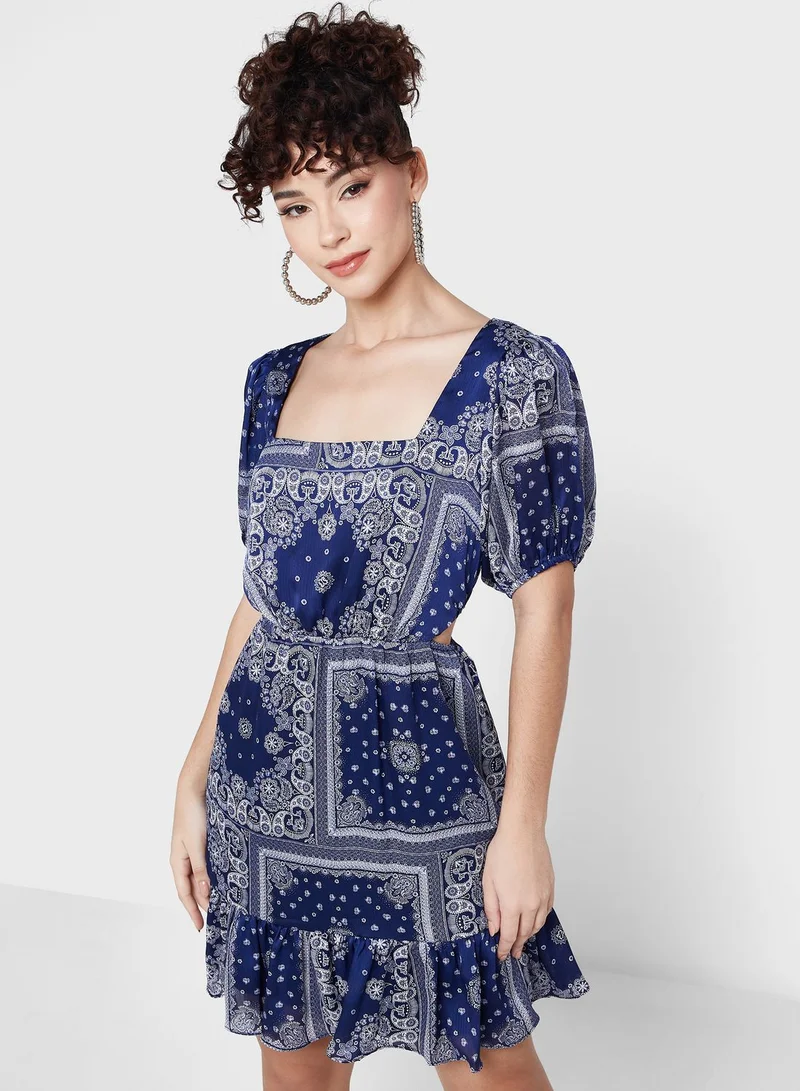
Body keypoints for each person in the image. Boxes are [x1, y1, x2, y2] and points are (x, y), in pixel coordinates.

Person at [170, 5, 597, 1089]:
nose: (328, 230)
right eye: (294, 204)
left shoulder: (513, 374)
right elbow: (262, 599)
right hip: (265, 783)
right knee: (293, 1074)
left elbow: (544, 605)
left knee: (489, 1063)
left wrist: (522, 826)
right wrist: (192, 773)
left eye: (350, 185)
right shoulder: (273, 380)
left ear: (413, 173)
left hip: (424, 778)